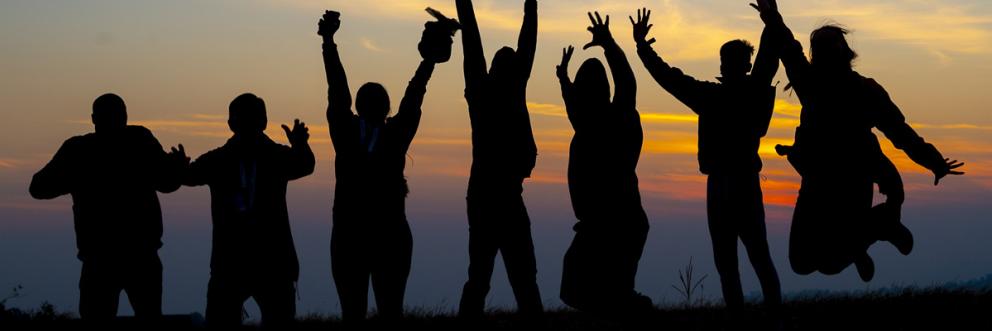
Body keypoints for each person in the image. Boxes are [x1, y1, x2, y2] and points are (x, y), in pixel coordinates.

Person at [753, 0, 965, 281]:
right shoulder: (816, 83)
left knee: (816, 262)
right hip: (820, 180)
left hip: (851, 182)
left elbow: (900, 132)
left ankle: (875, 229)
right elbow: (901, 133)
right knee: (805, 262)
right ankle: (865, 238)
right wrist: (771, 15)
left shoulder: (841, 87)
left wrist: (933, 161)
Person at [631, 7, 783, 308]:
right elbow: (769, 56)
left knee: (737, 261)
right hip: (737, 184)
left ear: (727, 65)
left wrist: (643, 47)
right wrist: (771, 18)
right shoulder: (742, 93)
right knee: (751, 258)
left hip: (727, 185)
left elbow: (670, 78)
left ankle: (757, 319)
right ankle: (770, 318)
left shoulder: (713, 96)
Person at [319, 9, 454, 322]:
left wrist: (328, 42)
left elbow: (338, 91)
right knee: (379, 313)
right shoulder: (391, 134)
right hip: (379, 235)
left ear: (358, 105)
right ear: (387, 107)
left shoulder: (350, 132)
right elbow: (413, 97)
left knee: (366, 313)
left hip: (360, 235)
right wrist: (427, 63)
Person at [29, 93, 186, 323]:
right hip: (130, 255)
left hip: (108, 257)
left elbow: (38, 187)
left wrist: (73, 178)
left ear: (94, 118)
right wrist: (177, 169)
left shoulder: (80, 149)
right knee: (147, 319)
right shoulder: (137, 140)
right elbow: (167, 183)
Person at [183, 93, 314, 328]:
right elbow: (304, 164)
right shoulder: (273, 156)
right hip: (263, 260)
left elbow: (187, 176)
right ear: (264, 122)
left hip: (239, 261)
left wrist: (178, 167)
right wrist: (300, 145)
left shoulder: (220, 159)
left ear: (230, 124)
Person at [556, 12, 653, 317]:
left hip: (617, 223)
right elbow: (574, 101)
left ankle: (632, 308)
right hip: (609, 223)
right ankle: (627, 306)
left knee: (600, 289)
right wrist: (564, 79)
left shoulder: (614, 117)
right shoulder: (587, 122)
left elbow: (626, 81)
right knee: (587, 287)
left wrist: (609, 44)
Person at [455, 0, 543, 318]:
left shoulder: (485, 88)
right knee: (515, 275)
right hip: (495, 194)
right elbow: (479, 43)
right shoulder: (499, 89)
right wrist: (531, 8)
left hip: (490, 193)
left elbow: (473, 42)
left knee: (490, 274)